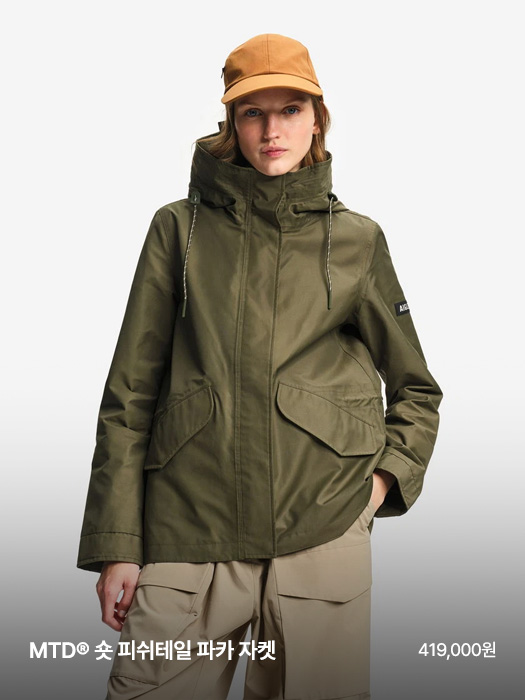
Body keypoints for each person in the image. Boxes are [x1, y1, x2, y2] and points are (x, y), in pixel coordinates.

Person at [77, 33, 443, 700]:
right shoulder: (177, 229)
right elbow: (130, 394)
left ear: (317, 119)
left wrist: (376, 488)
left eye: (290, 110)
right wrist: (117, 542)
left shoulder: (356, 239)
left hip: (321, 531)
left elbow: (416, 389)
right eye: (253, 113)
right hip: (187, 529)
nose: (272, 131)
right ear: (231, 123)